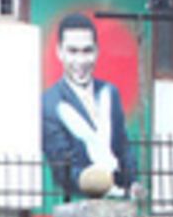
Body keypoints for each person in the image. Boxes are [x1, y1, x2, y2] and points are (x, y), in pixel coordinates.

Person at [41, 12, 139, 200]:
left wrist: (131, 181)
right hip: (80, 202)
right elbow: (62, 166)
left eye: (87, 51)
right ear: (59, 52)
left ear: (97, 51)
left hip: (120, 201)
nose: (81, 61)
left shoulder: (110, 92)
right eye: (73, 51)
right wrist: (98, 184)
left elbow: (122, 145)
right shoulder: (49, 103)